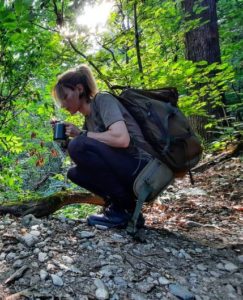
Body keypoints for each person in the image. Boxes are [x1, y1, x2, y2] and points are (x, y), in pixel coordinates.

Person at [52, 64, 155, 228]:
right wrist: (66, 142)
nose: (63, 104)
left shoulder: (103, 100)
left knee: (79, 144)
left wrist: (81, 135)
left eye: (65, 96)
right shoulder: (88, 120)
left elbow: (122, 139)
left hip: (143, 167)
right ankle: (123, 210)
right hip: (126, 167)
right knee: (74, 173)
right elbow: (89, 159)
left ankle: (124, 210)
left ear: (79, 89)